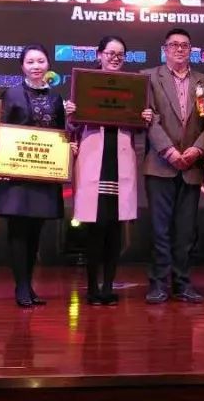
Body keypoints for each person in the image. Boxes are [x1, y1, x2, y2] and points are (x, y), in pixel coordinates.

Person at [65, 35, 152, 305]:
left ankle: (107, 286)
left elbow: (139, 127)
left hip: (120, 161)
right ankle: (92, 287)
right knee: (95, 226)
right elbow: (71, 128)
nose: (115, 58)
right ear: (99, 55)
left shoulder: (133, 88)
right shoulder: (84, 85)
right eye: (110, 53)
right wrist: (71, 114)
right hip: (93, 160)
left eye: (120, 54)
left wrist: (145, 118)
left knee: (114, 227)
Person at [0, 45, 69, 308]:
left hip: (44, 173)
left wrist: (68, 145)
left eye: (40, 61)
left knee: (35, 230)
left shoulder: (56, 97)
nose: (36, 66)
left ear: (48, 65)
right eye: (30, 62)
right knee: (18, 230)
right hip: (16, 172)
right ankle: (22, 286)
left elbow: (61, 131)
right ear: (22, 66)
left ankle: (29, 285)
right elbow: (0, 129)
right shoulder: (12, 93)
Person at [142, 28, 204, 304]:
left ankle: (182, 283)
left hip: (192, 165)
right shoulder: (149, 77)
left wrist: (197, 149)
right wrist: (169, 150)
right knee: (160, 229)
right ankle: (158, 283)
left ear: (191, 50)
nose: (179, 49)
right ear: (165, 49)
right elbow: (149, 118)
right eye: (174, 45)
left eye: (185, 45)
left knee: (185, 230)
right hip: (160, 164)